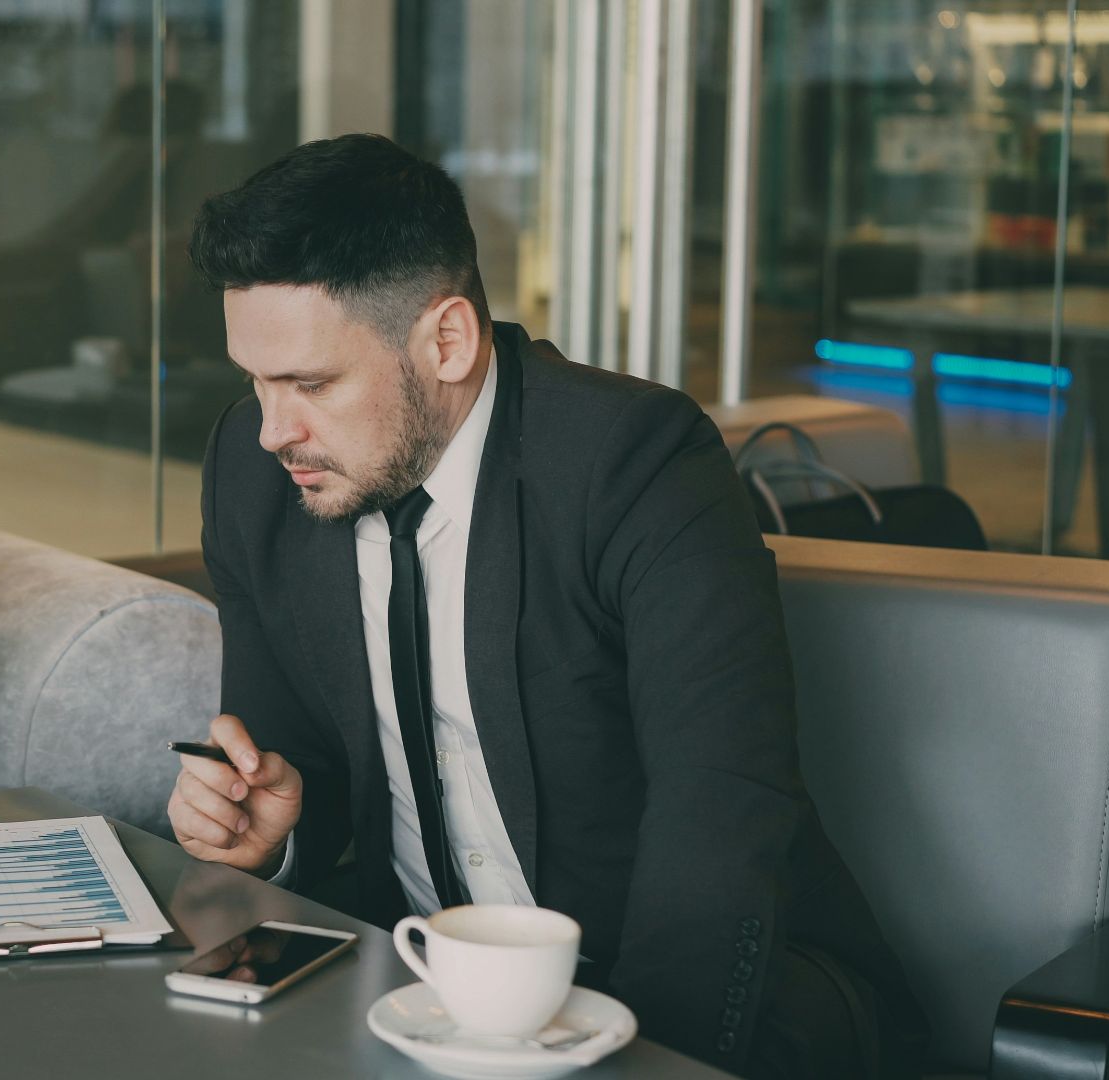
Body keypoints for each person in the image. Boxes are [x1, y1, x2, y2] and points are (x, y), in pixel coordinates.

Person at [166, 134, 925, 1078]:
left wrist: (640, 1062)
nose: (275, 427)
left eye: (312, 384)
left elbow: (723, 803)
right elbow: (299, 762)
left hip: (677, 996)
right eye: (256, 380)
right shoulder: (256, 471)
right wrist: (268, 833)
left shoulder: (636, 462)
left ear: (447, 340)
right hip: (423, 993)